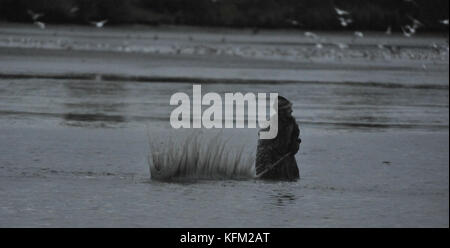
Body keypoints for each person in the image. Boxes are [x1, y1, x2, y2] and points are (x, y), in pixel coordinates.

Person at [255, 96, 300, 180]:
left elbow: (296, 136)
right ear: (281, 111)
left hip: (287, 158)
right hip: (271, 160)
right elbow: (263, 148)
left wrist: (295, 145)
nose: (292, 111)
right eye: (288, 109)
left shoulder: (292, 122)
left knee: (292, 179)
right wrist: (266, 164)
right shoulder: (270, 125)